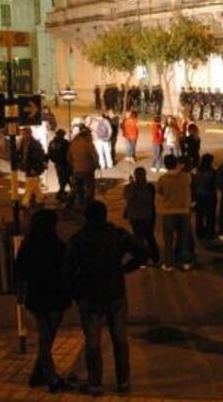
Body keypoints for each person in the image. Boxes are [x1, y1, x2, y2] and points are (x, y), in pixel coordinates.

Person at [64, 201, 146, 396]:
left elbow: (67, 270)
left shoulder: (79, 239)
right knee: (119, 338)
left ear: (86, 217)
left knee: (93, 341)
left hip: (90, 294)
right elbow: (142, 254)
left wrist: (76, 292)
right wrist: (124, 269)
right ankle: (123, 381)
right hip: (115, 292)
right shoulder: (118, 235)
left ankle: (95, 383)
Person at [14, 210, 73, 393]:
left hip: (37, 299)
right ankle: (51, 378)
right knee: (46, 340)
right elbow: (67, 271)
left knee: (45, 339)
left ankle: (38, 375)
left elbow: (20, 272)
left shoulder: (28, 246)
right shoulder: (58, 246)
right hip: (56, 299)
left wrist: (21, 296)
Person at [156, 155, 193, 271]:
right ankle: (185, 262)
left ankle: (168, 263)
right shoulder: (186, 177)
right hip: (184, 211)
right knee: (184, 238)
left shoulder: (162, 179)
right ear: (176, 164)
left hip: (169, 212)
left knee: (168, 240)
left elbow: (159, 192)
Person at [123, 167, 159, 266]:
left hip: (135, 216)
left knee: (139, 237)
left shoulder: (131, 187)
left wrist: (131, 184)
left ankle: (142, 258)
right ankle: (155, 257)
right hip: (148, 215)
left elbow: (128, 198)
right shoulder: (150, 187)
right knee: (149, 236)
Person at [67, 126, 99, 211]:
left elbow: (69, 157)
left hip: (76, 170)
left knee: (77, 188)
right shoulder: (88, 144)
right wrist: (96, 165)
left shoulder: (73, 144)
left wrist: (74, 165)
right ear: (87, 135)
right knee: (89, 188)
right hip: (87, 169)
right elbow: (95, 156)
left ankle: (77, 204)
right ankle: (90, 206)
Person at [19, 127, 47, 208]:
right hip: (28, 167)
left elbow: (38, 157)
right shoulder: (23, 143)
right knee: (34, 184)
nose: (23, 135)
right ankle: (40, 199)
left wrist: (34, 168)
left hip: (32, 167)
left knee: (29, 185)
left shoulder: (35, 144)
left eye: (24, 134)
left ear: (29, 134)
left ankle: (25, 203)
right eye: (22, 134)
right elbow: (21, 154)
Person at [193, 153, 217, 241]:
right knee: (210, 215)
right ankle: (210, 232)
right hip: (210, 195)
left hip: (199, 195)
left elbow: (194, 183)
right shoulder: (213, 172)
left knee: (200, 215)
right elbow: (215, 184)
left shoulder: (197, 171)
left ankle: (199, 232)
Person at [47, 129, 71, 202]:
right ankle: (60, 194)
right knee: (66, 178)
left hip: (57, 163)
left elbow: (49, 153)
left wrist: (52, 159)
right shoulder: (65, 143)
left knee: (62, 178)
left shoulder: (52, 143)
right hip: (65, 163)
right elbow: (70, 153)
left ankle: (62, 194)